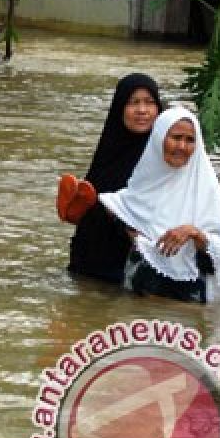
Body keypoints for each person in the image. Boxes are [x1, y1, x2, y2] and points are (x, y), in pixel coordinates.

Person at [99, 106, 220, 304]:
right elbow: (119, 205)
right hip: (140, 294)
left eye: (189, 140)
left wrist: (193, 232)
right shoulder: (140, 184)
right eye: (176, 137)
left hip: (190, 299)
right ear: (159, 139)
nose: (182, 146)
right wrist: (134, 234)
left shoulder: (206, 188)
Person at [67, 73, 163, 282]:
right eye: (133, 102)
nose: (142, 111)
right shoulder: (108, 152)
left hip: (143, 273)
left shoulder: (167, 158)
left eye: (149, 103)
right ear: (119, 108)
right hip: (91, 266)